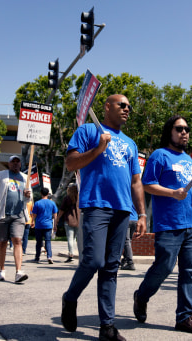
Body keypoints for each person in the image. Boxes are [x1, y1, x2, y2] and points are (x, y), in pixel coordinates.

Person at [61, 94, 147, 341]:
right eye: (122, 105)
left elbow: (136, 181)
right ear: (107, 107)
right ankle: (70, 298)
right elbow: (70, 163)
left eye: (129, 106)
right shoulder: (89, 130)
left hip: (122, 210)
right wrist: (99, 147)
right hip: (96, 205)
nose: (127, 109)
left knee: (111, 268)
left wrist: (141, 213)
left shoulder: (130, 143)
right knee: (93, 261)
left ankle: (107, 327)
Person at [133, 115, 192, 335]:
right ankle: (142, 296)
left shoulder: (189, 160)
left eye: (187, 129)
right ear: (170, 131)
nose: (184, 132)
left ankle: (185, 317)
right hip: (170, 224)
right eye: (179, 128)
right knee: (164, 267)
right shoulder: (159, 156)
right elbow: (147, 185)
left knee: (189, 271)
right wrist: (173, 193)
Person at [0, 155, 32, 283]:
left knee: (17, 240)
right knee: (3, 242)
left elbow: (29, 197)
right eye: (13, 162)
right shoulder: (1, 175)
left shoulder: (25, 178)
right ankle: (2, 270)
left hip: (19, 215)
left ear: (21, 165)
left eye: (18, 162)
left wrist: (27, 196)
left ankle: (18, 272)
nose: (16, 164)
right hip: (2, 214)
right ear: (9, 163)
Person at [55, 183, 80, 263]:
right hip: (78, 221)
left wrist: (57, 219)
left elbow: (62, 210)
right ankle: (75, 252)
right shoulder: (79, 198)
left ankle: (71, 254)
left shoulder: (67, 198)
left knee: (70, 238)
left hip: (69, 220)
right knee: (74, 239)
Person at [31, 187, 58, 264]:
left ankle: (37, 257)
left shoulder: (37, 203)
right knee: (48, 241)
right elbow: (55, 215)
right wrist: (55, 225)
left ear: (41, 193)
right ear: (48, 194)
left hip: (39, 225)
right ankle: (49, 256)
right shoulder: (52, 203)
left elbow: (34, 214)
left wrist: (32, 221)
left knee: (39, 242)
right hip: (48, 225)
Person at [119, 206, 138, 270]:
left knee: (126, 241)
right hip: (135, 220)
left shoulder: (126, 197)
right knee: (128, 241)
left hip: (127, 219)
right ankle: (124, 260)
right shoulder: (135, 197)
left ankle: (130, 263)